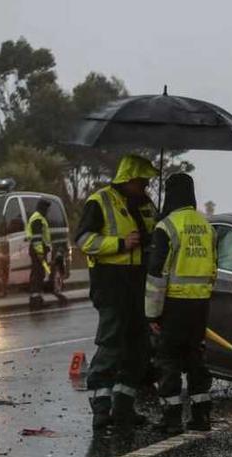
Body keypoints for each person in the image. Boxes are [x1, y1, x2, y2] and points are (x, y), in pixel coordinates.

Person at [76, 154, 159, 430]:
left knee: (138, 347)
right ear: (128, 179)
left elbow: (154, 235)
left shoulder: (146, 204)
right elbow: (84, 239)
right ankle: (101, 408)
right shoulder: (99, 201)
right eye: (141, 182)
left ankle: (124, 408)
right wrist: (120, 243)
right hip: (110, 281)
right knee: (111, 343)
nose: (146, 186)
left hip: (139, 282)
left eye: (147, 182)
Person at [145, 173, 217, 434]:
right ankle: (201, 417)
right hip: (200, 304)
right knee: (196, 358)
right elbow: (213, 269)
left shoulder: (167, 227)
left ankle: (172, 418)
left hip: (174, 305)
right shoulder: (206, 226)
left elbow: (156, 275)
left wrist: (152, 314)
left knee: (169, 359)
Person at [25, 199, 67, 309]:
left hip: (39, 250)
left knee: (40, 273)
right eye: (46, 209)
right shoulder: (38, 219)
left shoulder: (39, 218)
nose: (47, 211)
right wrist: (40, 253)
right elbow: (37, 238)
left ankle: (37, 299)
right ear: (42, 208)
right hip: (37, 250)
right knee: (38, 275)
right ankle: (35, 302)